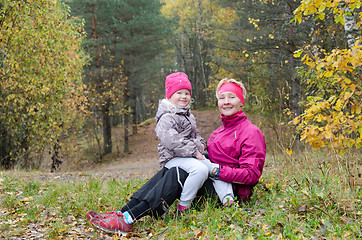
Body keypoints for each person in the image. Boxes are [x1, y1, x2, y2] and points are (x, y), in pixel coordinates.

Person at [86, 77, 266, 234]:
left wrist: (216, 171)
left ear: (241, 101)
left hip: (229, 193)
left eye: (231, 97)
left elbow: (251, 176)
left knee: (178, 173)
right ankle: (122, 212)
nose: (226, 102)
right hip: (210, 183)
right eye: (222, 98)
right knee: (171, 167)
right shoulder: (217, 133)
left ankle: (128, 219)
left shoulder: (251, 132)